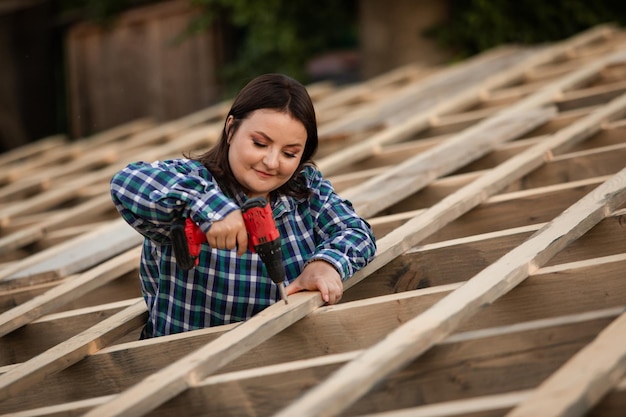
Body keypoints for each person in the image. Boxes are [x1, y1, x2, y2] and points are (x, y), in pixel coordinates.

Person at [110, 73, 376, 338]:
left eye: (289, 153)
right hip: (187, 361)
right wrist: (213, 210)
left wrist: (326, 263)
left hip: (285, 355)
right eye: (260, 143)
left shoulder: (306, 190)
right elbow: (126, 181)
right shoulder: (191, 180)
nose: (272, 162)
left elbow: (357, 231)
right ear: (230, 129)